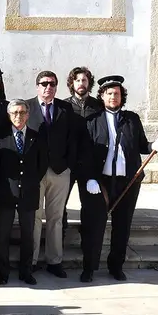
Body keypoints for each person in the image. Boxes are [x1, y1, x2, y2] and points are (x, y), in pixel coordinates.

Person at [80, 75, 158, 283]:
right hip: (100, 182)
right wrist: (90, 178)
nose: (113, 97)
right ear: (102, 96)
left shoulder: (132, 119)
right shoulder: (92, 121)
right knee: (95, 225)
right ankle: (89, 268)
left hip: (128, 180)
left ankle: (116, 266)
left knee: (122, 225)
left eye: (116, 93)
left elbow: (141, 145)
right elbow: (86, 153)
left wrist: (153, 146)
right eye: (109, 93)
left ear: (121, 96)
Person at [27, 71, 78, 279]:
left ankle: (54, 260)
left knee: (56, 217)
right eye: (44, 83)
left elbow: (72, 139)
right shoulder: (27, 107)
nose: (48, 87)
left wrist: (68, 165)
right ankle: (30, 260)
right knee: (35, 216)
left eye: (52, 84)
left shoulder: (65, 108)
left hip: (59, 170)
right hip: (35, 171)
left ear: (57, 87)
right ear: (37, 86)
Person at [0, 100, 47, 285]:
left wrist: (29, 182)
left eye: (22, 112)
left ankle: (26, 271)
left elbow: (42, 164)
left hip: (29, 193)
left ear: (28, 115)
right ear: (8, 115)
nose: (18, 116)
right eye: (14, 112)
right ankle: (4, 272)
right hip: (6, 194)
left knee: (28, 234)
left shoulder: (36, 137)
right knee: (3, 235)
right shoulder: (0, 137)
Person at [63, 66, 102, 248]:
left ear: (89, 83)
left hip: (89, 164)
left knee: (89, 206)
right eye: (77, 80)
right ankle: (59, 243)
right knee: (60, 205)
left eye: (84, 80)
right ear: (72, 83)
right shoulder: (64, 106)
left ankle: (87, 244)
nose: (81, 83)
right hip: (67, 163)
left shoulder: (98, 106)